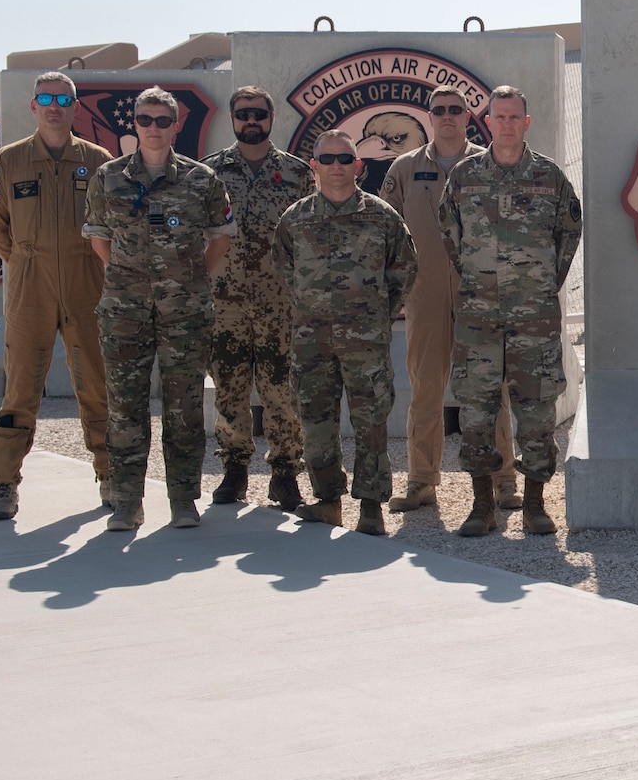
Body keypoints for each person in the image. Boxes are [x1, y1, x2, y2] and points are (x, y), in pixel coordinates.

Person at [83, 87, 234, 530]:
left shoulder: (201, 179)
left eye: (162, 121)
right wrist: (132, 278)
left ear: (176, 125)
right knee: (124, 406)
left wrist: (187, 278)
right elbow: (98, 238)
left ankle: (183, 497)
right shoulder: (108, 178)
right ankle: (128, 501)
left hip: (184, 312)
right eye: (145, 120)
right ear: (134, 123)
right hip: (124, 311)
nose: (153, 128)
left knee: (184, 404)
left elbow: (220, 238)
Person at [439, 85, 581, 538]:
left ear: (526, 122)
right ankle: (483, 506)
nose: (505, 124)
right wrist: (482, 284)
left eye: (513, 117)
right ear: (488, 122)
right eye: (498, 117)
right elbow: (450, 235)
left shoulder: (550, 177)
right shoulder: (463, 178)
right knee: (477, 413)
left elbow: (569, 233)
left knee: (537, 412)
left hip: (533, 319)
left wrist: (539, 287)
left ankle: (535, 505)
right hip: (479, 318)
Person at [0, 71, 115, 520]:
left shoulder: (97, 161)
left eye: (64, 98)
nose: (55, 106)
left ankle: (110, 475)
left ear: (75, 107)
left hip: (85, 282)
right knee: (20, 387)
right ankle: (4, 484)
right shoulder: (9, 161)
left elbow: (113, 222)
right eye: (46, 98)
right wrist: (24, 258)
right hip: (30, 285)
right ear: (33, 107)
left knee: (96, 384)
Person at [380, 86, 521, 514]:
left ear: (467, 116)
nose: (446, 117)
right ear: (428, 116)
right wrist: (397, 287)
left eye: (454, 110)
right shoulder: (405, 168)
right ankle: (422, 481)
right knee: (425, 385)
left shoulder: (488, 163)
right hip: (425, 292)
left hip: (481, 291)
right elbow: (386, 230)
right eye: (438, 110)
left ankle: (504, 480)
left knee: (490, 385)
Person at [273, 128, 418, 536]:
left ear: (358, 165)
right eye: (327, 159)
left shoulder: (382, 217)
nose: (336, 166)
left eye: (344, 159)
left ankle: (371, 507)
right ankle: (328, 501)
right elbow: (285, 270)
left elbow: (404, 269)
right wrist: (313, 310)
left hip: (365, 343)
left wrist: (376, 315)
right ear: (314, 166)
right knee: (316, 421)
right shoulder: (296, 219)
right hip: (311, 341)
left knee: (370, 422)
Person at [202, 86, 314, 511]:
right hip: (225, 301)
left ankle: (285, 474)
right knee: (229, 388)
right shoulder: (210, 173)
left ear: (271, 118)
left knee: (281, 391)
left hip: (279, 302)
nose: (251, 120)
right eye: (243, 113)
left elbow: (307, 235)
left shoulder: (297, 173)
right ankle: (234, 470)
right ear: (233, 119)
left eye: (259, 114)